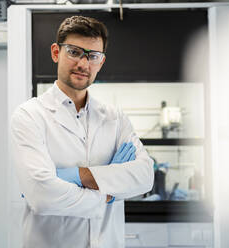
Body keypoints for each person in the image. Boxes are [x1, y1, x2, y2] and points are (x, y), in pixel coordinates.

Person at [10, 16, 154, 248]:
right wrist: (108, 193)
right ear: (56, 52)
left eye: (93, 56)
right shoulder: (30, 115)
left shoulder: (115, 118)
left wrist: (76, 176)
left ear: (101, 62)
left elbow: (145, 176)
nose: (84, 64)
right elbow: (42, 195)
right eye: (75, 52)